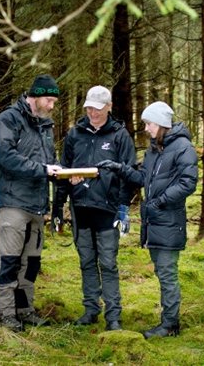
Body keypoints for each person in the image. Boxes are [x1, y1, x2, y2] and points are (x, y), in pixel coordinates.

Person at [97, 101, 197, 339]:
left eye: (149, 124)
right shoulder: (154, 149)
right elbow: (143, 177)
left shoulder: (183, 147)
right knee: (163, 272)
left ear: (161, 123)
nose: (147, 129)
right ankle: (168, 321)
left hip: (169, 220)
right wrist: (119, 168)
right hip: (154, 221)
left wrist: (160, 201)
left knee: (167, 273)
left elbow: (188, 182)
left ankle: (170, 325)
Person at [52, 86, 136, 332]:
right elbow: (63, 170)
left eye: (97, 109)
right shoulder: (75, 134)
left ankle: (113, 316)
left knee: (108, 263)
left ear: (108, 107)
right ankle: (91, 309)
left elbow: (128, 175)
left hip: (107, 210)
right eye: (89, 108)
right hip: (80, 208)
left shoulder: (120, 136)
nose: (92, 113)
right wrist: (58, 206)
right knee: (86, 261)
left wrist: (122, 208)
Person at [0, 74, 63, 332]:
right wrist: (43, 169)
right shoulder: (9, 119)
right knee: (9, 261)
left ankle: (25, 310)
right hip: (13, 203)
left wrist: (65, 174)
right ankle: (5, 315)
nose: (52, 105)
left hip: (37, 206)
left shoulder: (46, 126)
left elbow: (50, 162)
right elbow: (4, 155)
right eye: (49, 100)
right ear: (35, 96)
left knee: (30, 264)